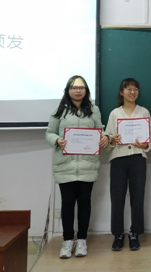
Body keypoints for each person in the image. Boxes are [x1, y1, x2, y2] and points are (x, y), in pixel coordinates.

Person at [45, 75, 108, 259]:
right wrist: (57, 140)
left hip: (88, 164)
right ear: (68, 90)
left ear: (86, 90)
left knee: (85, 202)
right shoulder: (59, 110)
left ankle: (81, 240)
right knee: (67, 203)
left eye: (81, 87)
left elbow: (100, 131)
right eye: (74, 87)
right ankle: (67, 240)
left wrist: (106, 137)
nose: (78, 90)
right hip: (65, 165)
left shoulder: (94, 110)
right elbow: (49, 133)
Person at [104, 78, 151, 252]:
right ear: (121, 92)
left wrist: (145, 144)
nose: (132, 92)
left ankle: (135, 233)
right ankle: (118, 234)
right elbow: (107, 137)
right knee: (117, 197)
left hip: (138, 158)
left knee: (138, 197)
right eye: (128, 89)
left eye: (135, 89)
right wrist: (113, 139)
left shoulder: (143, 111)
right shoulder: (114, 113)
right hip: (118, 159)